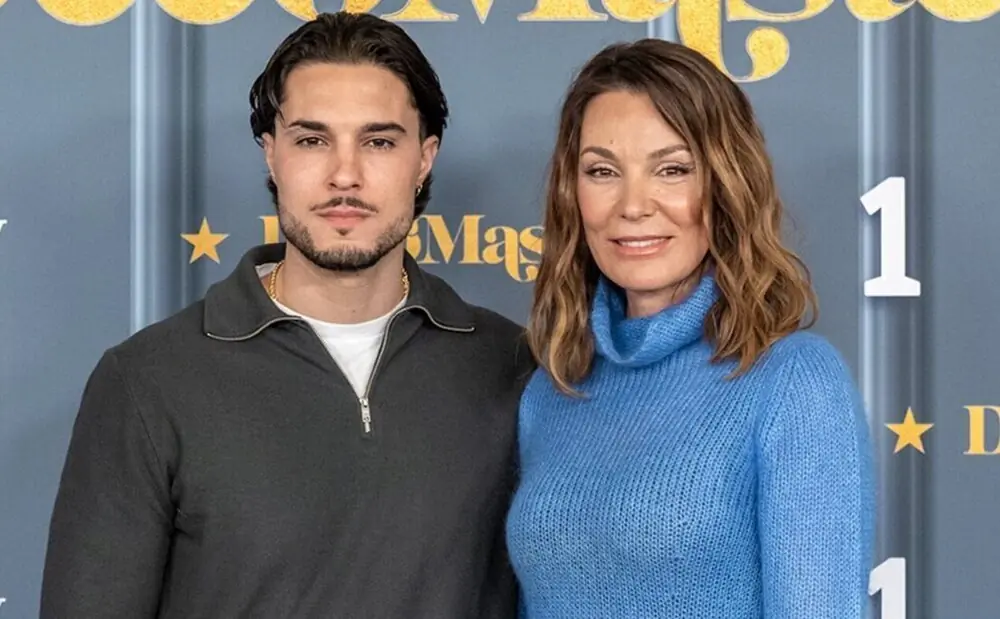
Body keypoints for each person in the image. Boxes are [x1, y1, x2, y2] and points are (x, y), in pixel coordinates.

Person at [40, 12, 532, 619]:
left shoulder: (512, 366)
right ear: (272, 155)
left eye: (379, 142)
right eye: (312, 140)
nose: (345, 175)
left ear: (424, 159)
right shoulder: (147, 381)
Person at [505, 39, 876, 618]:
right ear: (571, 195)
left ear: (726, 185)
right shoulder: (551, 392)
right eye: (602, 171)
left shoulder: (792, 381)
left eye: (672, 169)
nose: (633, 205)